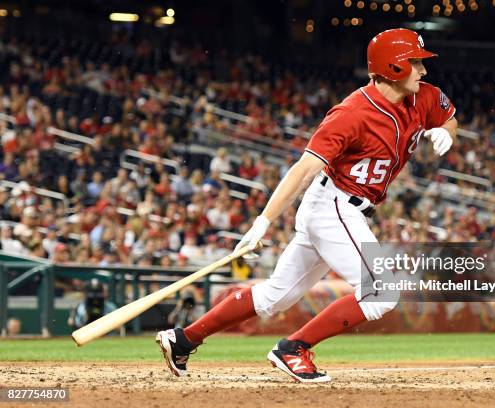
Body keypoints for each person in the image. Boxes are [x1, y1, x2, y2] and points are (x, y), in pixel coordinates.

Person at [156, 29, 456, 383]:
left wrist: (446, 133)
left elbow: (448, 117)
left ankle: (183, 339)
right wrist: (263, 223)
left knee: (274, 297)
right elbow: (303, 170)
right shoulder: (350, 113)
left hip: (344, 209)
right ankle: (293, 348)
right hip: (334, 205)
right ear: (392, 67)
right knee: (382, 291)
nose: (422, 71)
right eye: (415, 63)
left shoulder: (423, 96)